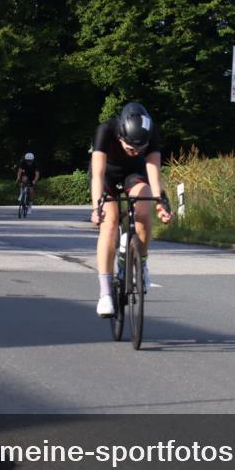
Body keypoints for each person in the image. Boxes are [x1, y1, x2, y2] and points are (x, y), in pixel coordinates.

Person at [90, 102, 172, 317]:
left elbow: (153, 171)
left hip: (133, 175)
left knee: (144, 210)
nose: (136, 152)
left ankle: (141, 264)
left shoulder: (151, 131)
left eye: (140, 149)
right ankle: (105, 293)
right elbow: (97, 174)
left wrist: (161, 202)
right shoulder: (105, 130)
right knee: (109, 222)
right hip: (107, 175)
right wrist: (96, 207)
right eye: (131, 149)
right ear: (120, 137)